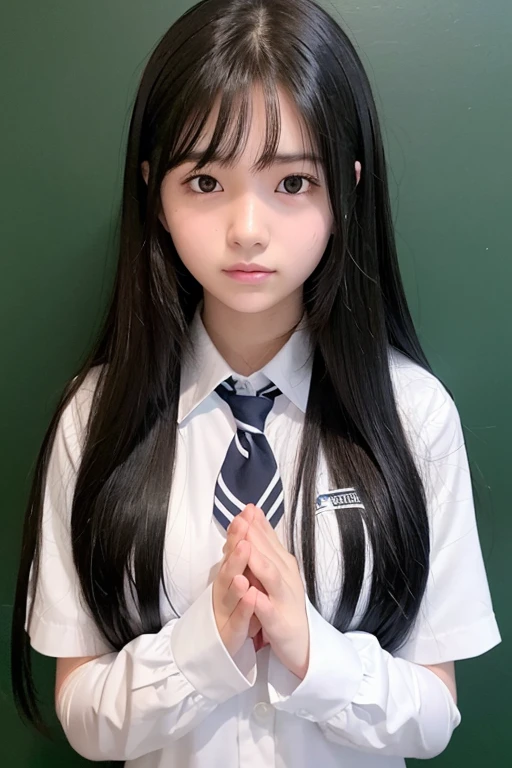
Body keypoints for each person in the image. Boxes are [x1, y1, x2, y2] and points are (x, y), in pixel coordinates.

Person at [11, 0, 501, 766]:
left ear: (347, 187)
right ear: (155, 192)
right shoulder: (95, 416)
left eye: (293, 181)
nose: (247, 228)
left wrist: (312, 650)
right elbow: (80, 714)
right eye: (206, 180)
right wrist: (204, 646)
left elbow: (434, 717)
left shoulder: (413, 416)